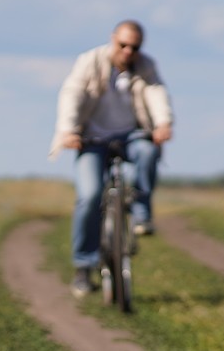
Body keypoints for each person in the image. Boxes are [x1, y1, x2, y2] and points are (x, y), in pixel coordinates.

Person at [49, 20, 173, 297]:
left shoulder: (145, 66)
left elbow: (156, 93)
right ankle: (84, 266)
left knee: (148, 152)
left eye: (135, 47)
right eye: (123, 45)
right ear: (112, 40)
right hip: (92, 139)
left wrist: (163, 123)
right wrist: (68, 130)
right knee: (90, 196)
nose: (129, 51)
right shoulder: (90, 61)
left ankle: (142, 214)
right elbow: (73, 93)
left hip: (131, 136)